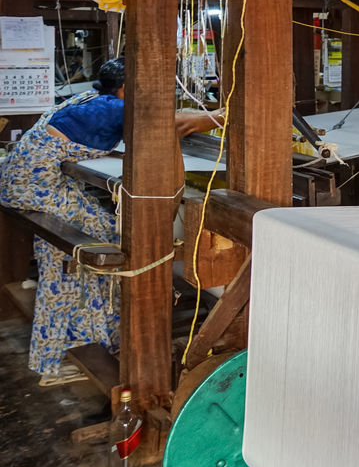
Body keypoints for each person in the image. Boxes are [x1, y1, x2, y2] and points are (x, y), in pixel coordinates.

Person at [0, 58, 223, 384]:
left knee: (104, 234)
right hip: (34, 187)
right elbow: (172, 124)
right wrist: (222, 116)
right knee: (105, 244)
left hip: (26, 181)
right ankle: (72, 350)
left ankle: (94, 337)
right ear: (126, 88)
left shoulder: (92, 100)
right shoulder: (113, 108)